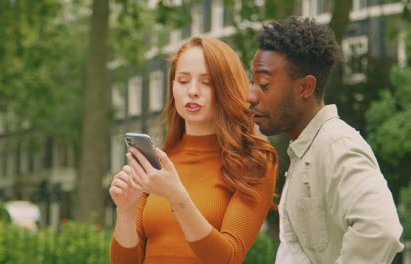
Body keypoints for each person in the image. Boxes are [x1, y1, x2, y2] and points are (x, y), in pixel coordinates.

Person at [247, 16, 404, 264]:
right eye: (252, 81)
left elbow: (380, 231)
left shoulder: (336, 145)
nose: (250, 95)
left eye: (264, 84)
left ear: (305, 87)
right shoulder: (305, 151)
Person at [109, 36, 278, 263]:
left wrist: (175, 195)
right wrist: (125, 210)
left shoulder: (254, 162)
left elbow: (228, 257)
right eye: (183, 80)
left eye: (207, 82)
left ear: (227, 88)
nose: (193, 91)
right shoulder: (159, 162)